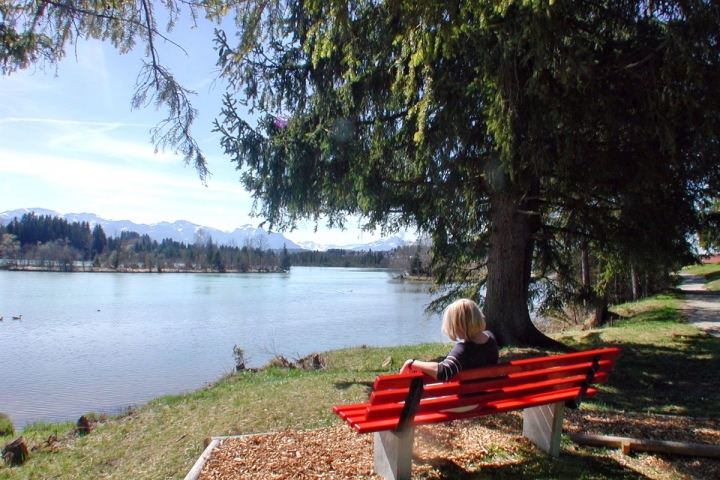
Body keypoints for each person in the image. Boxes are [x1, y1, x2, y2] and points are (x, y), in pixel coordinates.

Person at [401, 298, 498, 381]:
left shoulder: (464, 350)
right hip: (487, 394)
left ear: (459, 326)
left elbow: (444, 372)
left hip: (468, 400)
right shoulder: (491, 338)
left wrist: (411, 363)